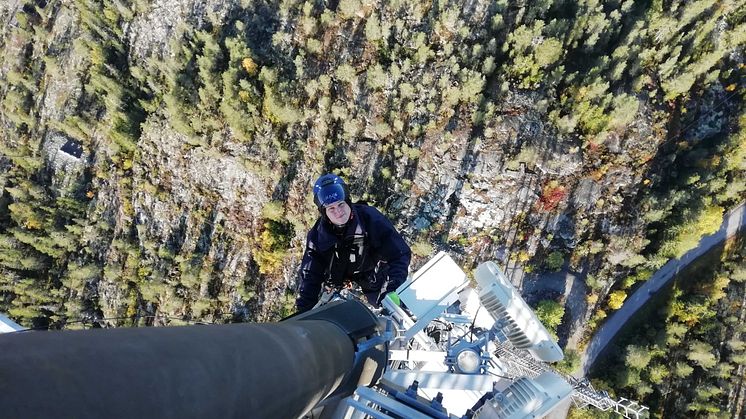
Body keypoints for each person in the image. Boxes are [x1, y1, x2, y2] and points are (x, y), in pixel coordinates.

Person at [295, 173, 411, 313]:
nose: (338, 211)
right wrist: (303, 310)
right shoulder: (317, 236)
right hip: (338, 279)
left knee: (390, 307)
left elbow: (399, 253)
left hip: (373, 273)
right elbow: (310, 274)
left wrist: (391, 288)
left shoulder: (370, 219)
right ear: (324, 212)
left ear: (348, 201)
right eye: (331, 208)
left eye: (341, 204)